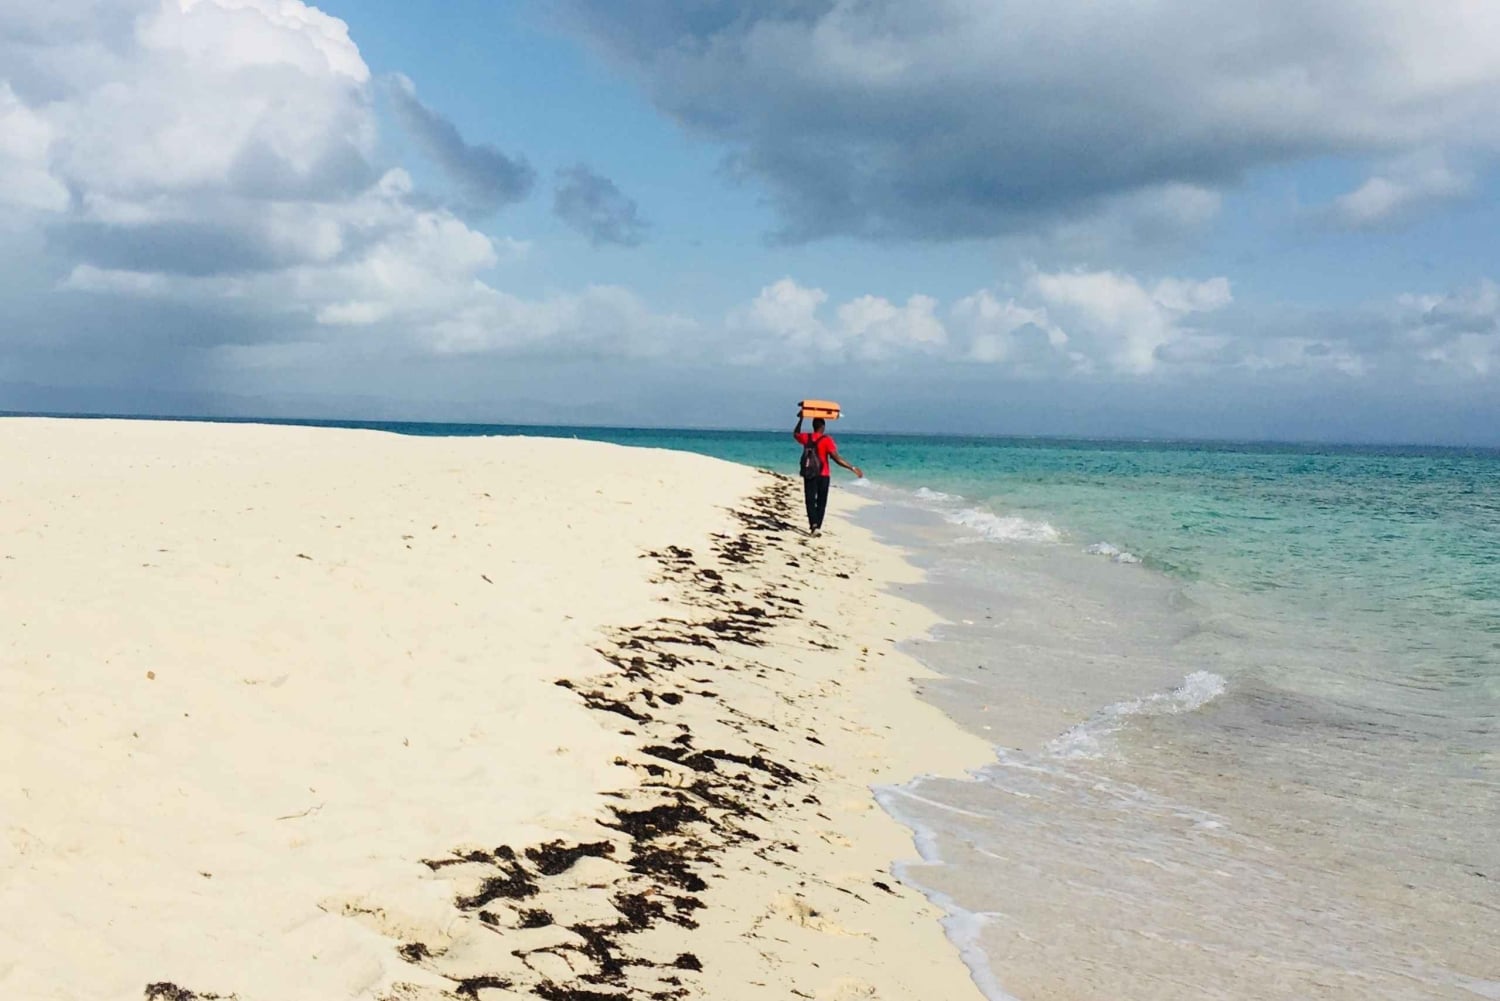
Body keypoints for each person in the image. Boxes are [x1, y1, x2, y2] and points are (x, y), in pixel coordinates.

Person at [792, 414, 862, 536]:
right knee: (821, 501)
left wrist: (801, 419)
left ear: (813, 426)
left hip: (810, 473)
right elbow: (836, 458)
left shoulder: (806, 437)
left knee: (810, 500)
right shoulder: (827, 440)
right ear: (823, 427)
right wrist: (852, 467)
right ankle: (817, 526)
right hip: (823, 474)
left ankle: (814, 525)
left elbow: (795, 434)